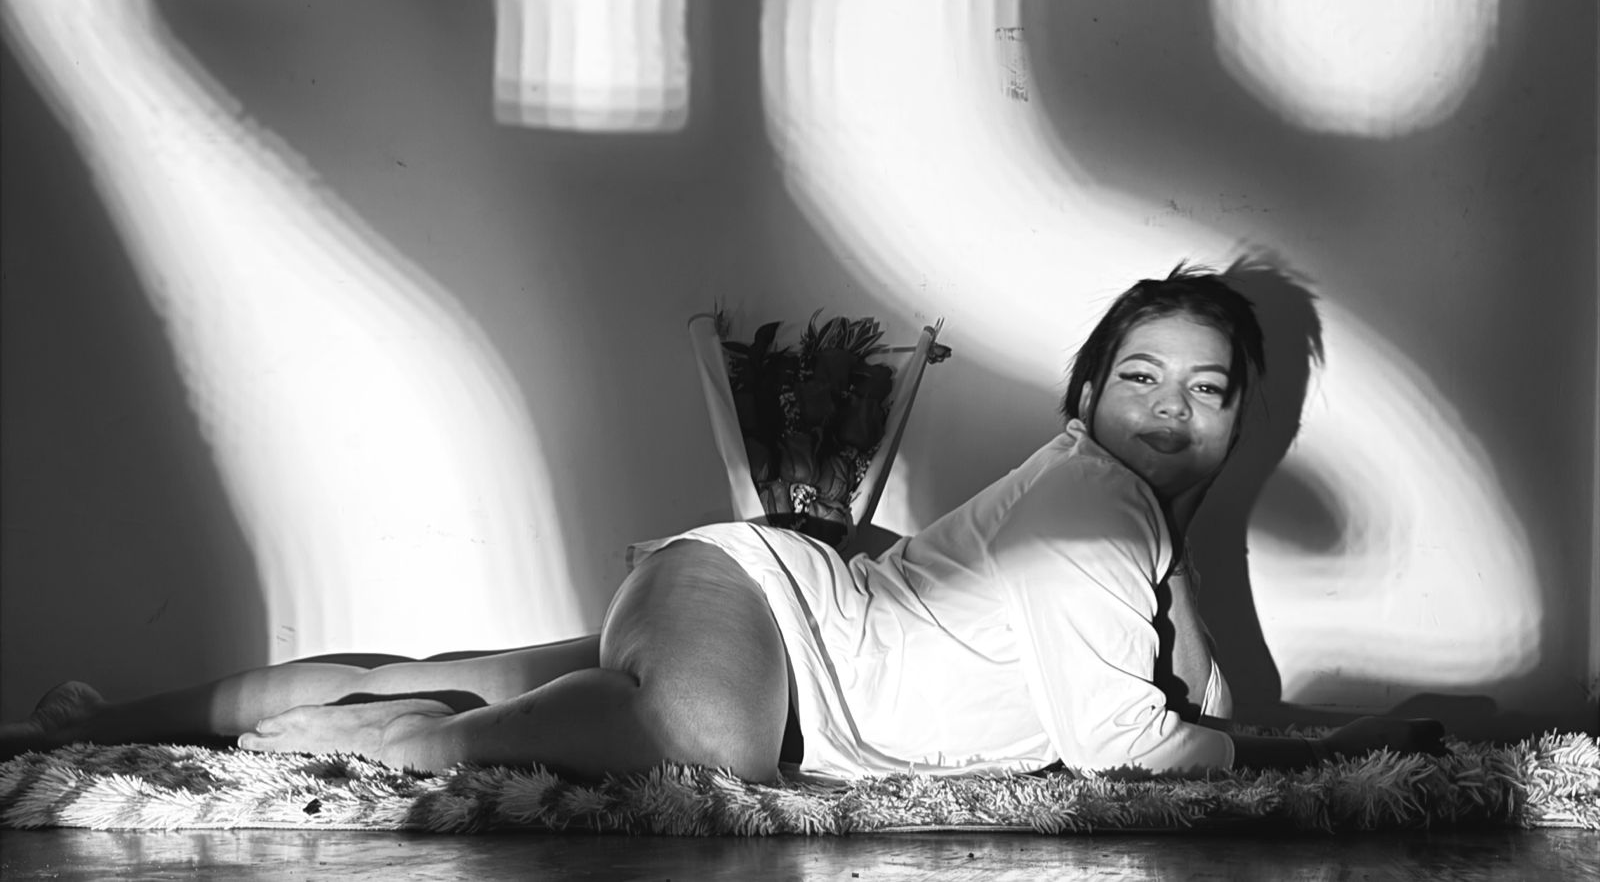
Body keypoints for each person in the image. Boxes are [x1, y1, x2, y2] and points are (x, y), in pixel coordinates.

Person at [2, 264, 1445, 781]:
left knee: (478, 673)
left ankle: (88, 723)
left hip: (751, 607)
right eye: (1141, 376)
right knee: (695, 749)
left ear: (1242, 417)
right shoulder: (1096, 507)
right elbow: (1127, 743)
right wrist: (1327, 750)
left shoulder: (1100, 504)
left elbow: (1170, 698)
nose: (1174, 408)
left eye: (1208, 388)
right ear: (1087, 393)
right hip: (762, 628)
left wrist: (1272, 725)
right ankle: (382, 750)